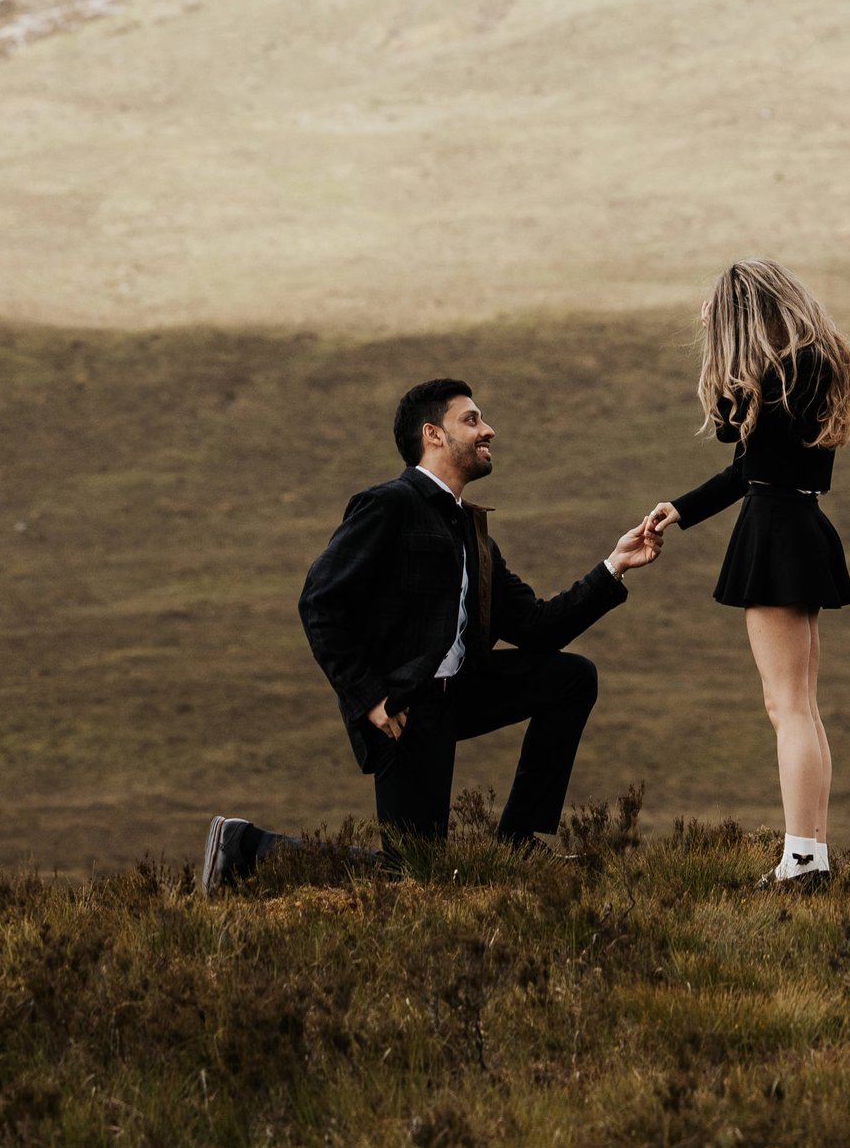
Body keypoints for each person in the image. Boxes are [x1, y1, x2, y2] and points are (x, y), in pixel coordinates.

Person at [202, 375, 661, 887]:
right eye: (472, 419)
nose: (488, 430)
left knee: (570, 677)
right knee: (416, 874)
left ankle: (519, 840)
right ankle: (244, 847)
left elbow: (536, 628)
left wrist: (613, 567)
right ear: (433, 435)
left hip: (463, 692)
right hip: (406, 710)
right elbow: (320, 603)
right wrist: (370, 698)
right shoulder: (389, 505)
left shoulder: (473, 532)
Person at [645, 260, 850, 887]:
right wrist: (682, 510)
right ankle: (811, 854)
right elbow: (745, 466)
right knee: (801, 704)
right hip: (800, 523)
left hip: (774, 533)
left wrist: (724, 355)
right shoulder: (815, 366)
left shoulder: (770, 376)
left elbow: (724, 433)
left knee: (786, 705)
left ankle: (800, 858)